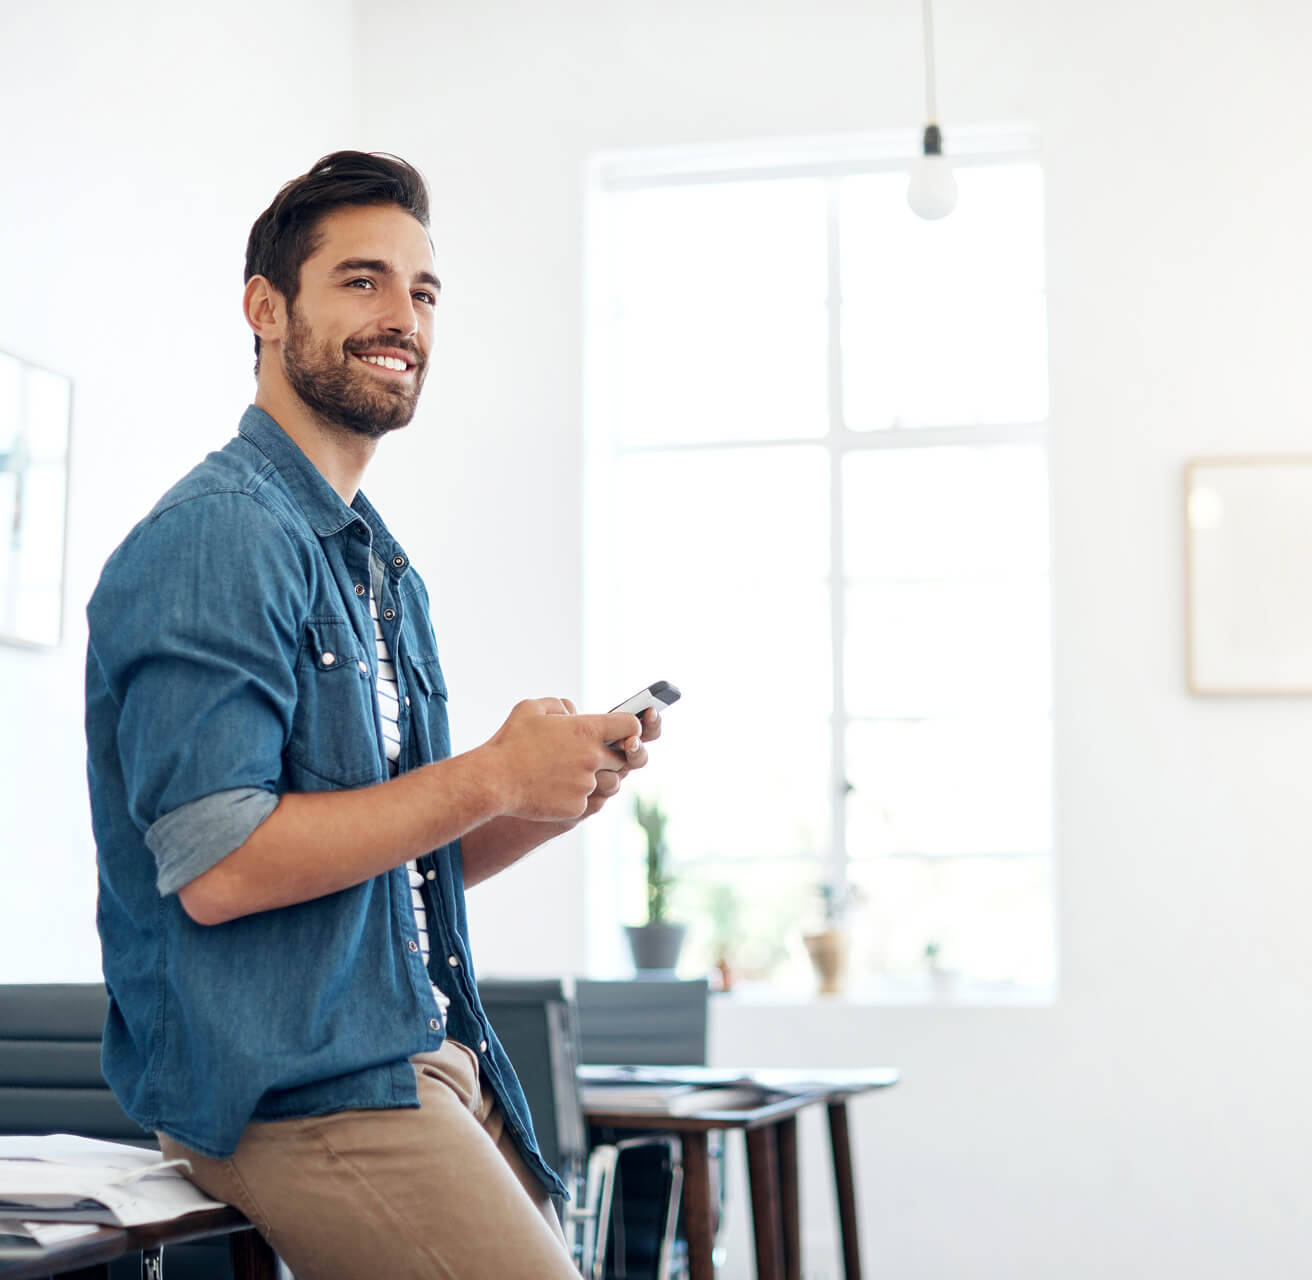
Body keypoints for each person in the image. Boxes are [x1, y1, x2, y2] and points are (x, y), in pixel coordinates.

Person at [85, 151, 660, 1280]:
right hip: (291, 1098)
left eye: (423, 290)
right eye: (360, 281)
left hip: (416, 1055)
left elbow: (384, 873)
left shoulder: (372, 563)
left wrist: (547, 798)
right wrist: (492, 772)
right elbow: (225, 867)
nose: (403, 316)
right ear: (264, 307)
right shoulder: (219, 537)